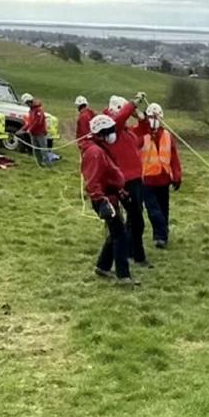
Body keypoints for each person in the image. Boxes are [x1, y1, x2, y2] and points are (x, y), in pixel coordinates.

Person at [81, 114, 137, 286]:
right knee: (120, 235)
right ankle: (123, 276)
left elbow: (107, 176)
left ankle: (103, 267)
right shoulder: (95, 153)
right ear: (101, 132)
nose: (114, 134)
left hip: (112, 195)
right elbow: (93, 181)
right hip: (105, 200)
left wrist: (119, 190)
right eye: (111, 131)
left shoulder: (100, 148)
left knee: (115, 234)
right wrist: (102, 201)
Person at [105, 93, 153, 269]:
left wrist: (141, 117)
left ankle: (131, 251)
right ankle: (136, 255)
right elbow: (118, 119)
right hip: (123, 182)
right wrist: (133, 103)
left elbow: (144, 131)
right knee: (135, 219)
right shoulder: (111, 130)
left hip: (136, 180)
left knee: (135, 218)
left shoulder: (127, 133)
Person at [139, 103, 181, 249]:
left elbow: (174, 157)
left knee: (163, 209)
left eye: (156, 117)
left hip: (164, 179)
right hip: (147, 179)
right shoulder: (141, 134)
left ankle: (161, 237)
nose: (154, 120)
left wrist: (177, 176)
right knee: (153, 210)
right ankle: (161, 231)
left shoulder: (168, 136)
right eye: (151, 117)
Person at [17, 97, 50, 166]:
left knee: (43, 149)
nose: (27, 105)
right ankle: (40, 164)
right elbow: (30, 122)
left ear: (30, 101)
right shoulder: (31, 110)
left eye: (27, 103)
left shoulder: (38, 110)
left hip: (40, 133)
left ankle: (48, 164)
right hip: (33, 133)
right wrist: (22, 130)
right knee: (35, 149)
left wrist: (29, 130)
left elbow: (38, 122)